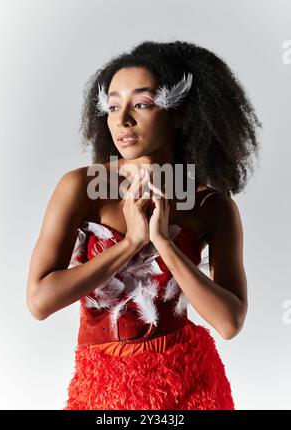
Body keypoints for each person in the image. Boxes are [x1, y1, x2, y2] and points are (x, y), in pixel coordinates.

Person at [26, 40, 262, 410]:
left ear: (179, 115)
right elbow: (39, 302)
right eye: (114, 106)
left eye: (142, 104)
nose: (123, 120)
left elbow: (230, 323)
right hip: (102, 386)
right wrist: (131, 243)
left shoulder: (212, 207)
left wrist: (164, 243)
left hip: (190, 383)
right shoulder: (81, 188)